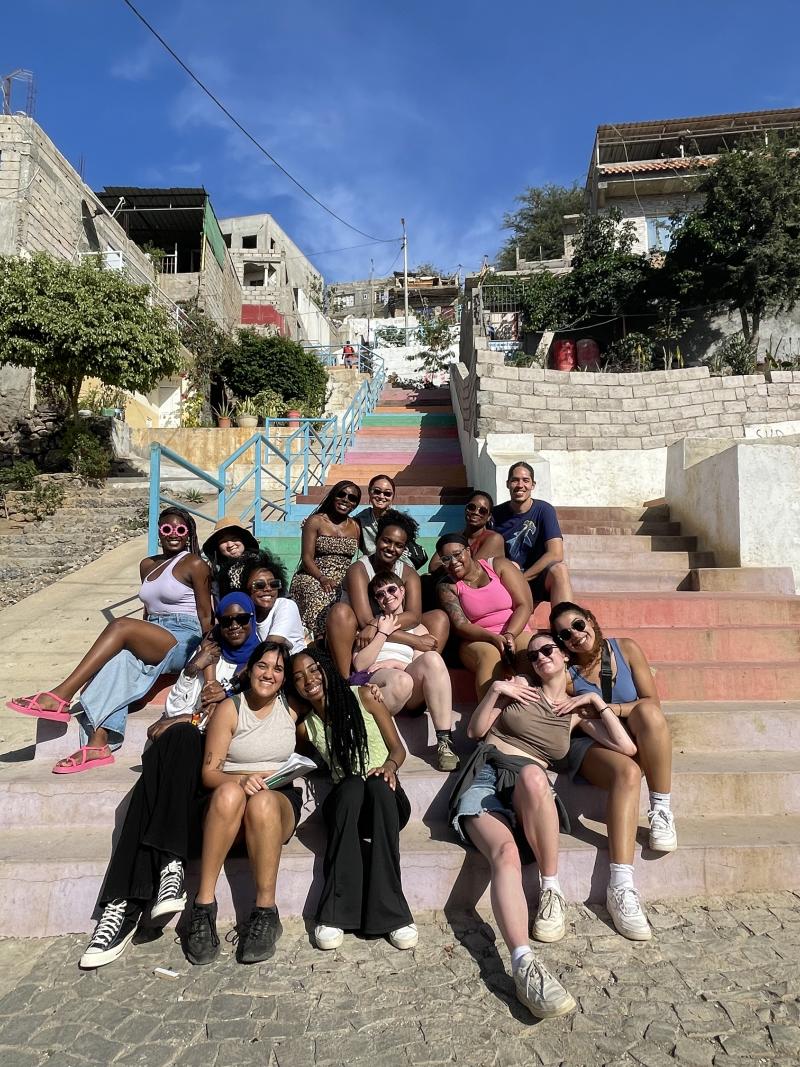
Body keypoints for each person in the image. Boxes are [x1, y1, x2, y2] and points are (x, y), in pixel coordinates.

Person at [449, 631, 636, 1020]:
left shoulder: (574, 712)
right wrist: (498, 689)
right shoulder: (518, 688)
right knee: (505, 853)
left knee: (535, 776)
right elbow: (475, 731)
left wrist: (596, 702)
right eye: (533, 655)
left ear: (565, 656)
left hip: (530, 790)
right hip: (486, 775)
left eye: (547, 650)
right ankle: (523, 964)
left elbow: (627, 748)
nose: (539, 658)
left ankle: (550, 890)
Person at [77, 595, 260, 969]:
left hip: (215, 777)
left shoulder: (261, 670)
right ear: (217, 627)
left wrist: (191, 718)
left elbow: (190, 724)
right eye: (226, 621)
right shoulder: (207, 661)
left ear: (254, 620)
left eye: (242, 619)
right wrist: (193, 670)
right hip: (181, 768)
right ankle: (166, 872)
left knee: (167, 756)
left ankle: (123, 905)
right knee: (173, 747)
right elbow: (172, 713)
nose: (235, 626)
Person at [8, 507, 212, 772]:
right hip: (152, 634)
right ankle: (98, 743)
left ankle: (61, 695)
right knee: (117, 663)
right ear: (159, 532)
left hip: (184, 636)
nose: (173, 534)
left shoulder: (195, 564)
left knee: (120, 625)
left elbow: (206, 616)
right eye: (167, 529)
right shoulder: (147, 565)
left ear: (189, 534)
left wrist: (209, 660)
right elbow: (148, 612)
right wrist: (139, 635)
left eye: (180, 530)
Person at [550, 601, 677, 941]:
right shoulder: (567, 673)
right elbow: (570, 719)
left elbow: (651, 703)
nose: (575, 636)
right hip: (595, 744)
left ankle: (661, 810)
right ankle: (620, 887)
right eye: (565, 635)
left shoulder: (626, 648)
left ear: (591, 619)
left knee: (649, 714)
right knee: (628, 773)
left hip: (635, 732)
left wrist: (608, 707)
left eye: (578, 625)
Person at [289, 648, 417, 952]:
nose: (308, 679)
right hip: (347, 805)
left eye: (313, 669)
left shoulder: (365, 696)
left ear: (327, 669)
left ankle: (393, 914)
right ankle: (335, 914)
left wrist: (388, 767)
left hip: (385, 799)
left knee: (374, 784)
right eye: (298, 678)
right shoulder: (306, 727)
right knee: (351, 786)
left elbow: (397, 750)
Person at [185, 640, 302, 966]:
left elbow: (328, 691)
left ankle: (266, 912)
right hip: (229, 803)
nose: (269, 673)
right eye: (263, 665)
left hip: (277, 802)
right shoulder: (230, 708)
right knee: (229, 793)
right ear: (250, 669)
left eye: (278, 669)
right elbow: (209, 773)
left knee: (262, 802)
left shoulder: (291, 707)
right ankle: (203, 906)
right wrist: (239, 780)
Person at [351, 570, 459, 772]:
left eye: (391, 589)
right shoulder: (370, 627)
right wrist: (382, 632)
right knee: (402, 680)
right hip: (377, 680)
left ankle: (445, 743)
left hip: (406, 682)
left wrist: (393, 662)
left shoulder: (418, 629)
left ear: (402, 591)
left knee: (432, 659)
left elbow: (423, 664)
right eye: (380, 594)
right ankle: (369, 732)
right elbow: (360, 664)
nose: (387, 596)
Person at [325, 509, 449, 678]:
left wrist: (376, 624)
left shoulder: (408, 573)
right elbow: (364, 622)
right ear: (376, 539)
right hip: (357, 634)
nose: (391, 548)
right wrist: (416, 641)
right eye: (386, 541)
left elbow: (414, 616)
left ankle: (419, 680)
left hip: (382, 628)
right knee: (339, 611)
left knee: (439, 618)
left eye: (399, 545)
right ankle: (345, 680)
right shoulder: (359, 570)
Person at [435, 534, 533, 699]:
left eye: (457, 554)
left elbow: (524, 605)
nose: (453, 562)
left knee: (528, 651)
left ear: (468, 550)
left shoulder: (498, 565)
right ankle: (487, 719)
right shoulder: (446, 586)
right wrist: (493, 638)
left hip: (515, 629)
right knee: (490, 657)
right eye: (446, 559)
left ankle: (538, 710)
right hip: (477, 639)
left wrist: (509, 635)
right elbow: (461, 625)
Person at [491, 462, 573, 607]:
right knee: (511, 565)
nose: (520, 485)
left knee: (560, 570)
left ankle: (565, 622)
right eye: (515, 480)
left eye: (525, 480)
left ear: (533, 485)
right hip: (507, 581)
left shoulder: (544, 510)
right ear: (507, 484)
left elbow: (556, 553)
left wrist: (523, 578)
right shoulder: (495, 515)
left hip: (536, 577)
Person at [288, 481, 361, 639]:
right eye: (341, 494)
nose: (345, 499)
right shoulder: (315, 521)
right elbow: (307, 558)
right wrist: (322, 578)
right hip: (314, 574)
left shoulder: (355, 526)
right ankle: (318, 642)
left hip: (343, 579)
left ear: (355, 504)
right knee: (322, 596)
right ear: (333, 496)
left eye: (351, 498)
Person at [428, 491, 505, 575]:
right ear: (465, 509)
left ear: (489, 517)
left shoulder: (494, 539)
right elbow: (433, 567)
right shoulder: (456, 537)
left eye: (482, 511)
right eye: (472, 507)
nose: (476, 512)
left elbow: (472, 570)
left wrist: (447, 562)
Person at [242, 553, 306, 653]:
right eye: (259, 585)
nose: (268, 588)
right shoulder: (249, 614)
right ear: (246, 589)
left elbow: (271, 646)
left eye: (273, 584)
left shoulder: (286, 605)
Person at [354, 475, 412, 566]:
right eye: (377, 491)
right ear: (369, 492)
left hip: (398, 565)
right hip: (372, 566)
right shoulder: (360, 520)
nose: (381, 496)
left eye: (387, 494)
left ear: (392, 497)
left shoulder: (400, 521)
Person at [202, 517, 261, 600]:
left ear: (243, 540)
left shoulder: (260, 564)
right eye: (223, 541)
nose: (230, 545)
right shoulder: (216, 572)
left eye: (234, 538)